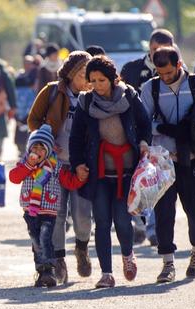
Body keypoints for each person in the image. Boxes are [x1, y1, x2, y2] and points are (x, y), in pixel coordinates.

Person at [140, 46, 195, 282]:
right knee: (164, 213)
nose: (165, 78)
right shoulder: (151, 89)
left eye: (168, 73)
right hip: (164, 163)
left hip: (194, 158)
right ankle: (168, 264)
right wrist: (163, 129)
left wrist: (194, 126)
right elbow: (142, 123)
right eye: (160, 73)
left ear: (179, 65)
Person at [69, 55, 153, 288]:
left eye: (102, 80)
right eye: (92, 80)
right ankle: (106, 273)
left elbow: (145, 124)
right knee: (102, 222)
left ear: (113, 79)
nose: (97, 85)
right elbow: (76, 138)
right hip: (100, 174)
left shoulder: (129, 96)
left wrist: (145, 143)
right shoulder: (86, 103)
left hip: (127, 172)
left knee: (123, 221)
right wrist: (78, 164)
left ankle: (127, 255)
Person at [26, 51, 93, 283]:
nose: (87, 79)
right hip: (53, 165)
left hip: (81, 164)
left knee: (83, 214)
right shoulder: (53, 91)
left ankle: (82, 248)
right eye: (83, 73)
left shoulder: (93, 95)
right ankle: (58, 260)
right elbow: (33, 120)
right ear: (71, 73)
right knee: (57, 214)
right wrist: (45, 140)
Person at [9, 125, 87, 287]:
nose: (37, 151)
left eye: (42, 148)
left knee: (46, 239)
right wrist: (28, 165)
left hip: (49, 211)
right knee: (36, 241)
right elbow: (14, 178)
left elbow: (68, 182)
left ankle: (49, 271)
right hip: (30, 210)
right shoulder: (25, 164)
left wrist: (80, 179)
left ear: (49, 150)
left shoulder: (55, 166)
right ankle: (42, 270)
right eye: (34, 147)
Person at [120, 28, 177, 246]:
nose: (157, 54)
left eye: (164, 50)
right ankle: (140, 223)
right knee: (133, 180)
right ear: (149, 48)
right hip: (134, 134)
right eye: (154, 50)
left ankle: (153, 229)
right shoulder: (132, 69)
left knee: (156, 181)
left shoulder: (176, 70)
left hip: (162, 135)